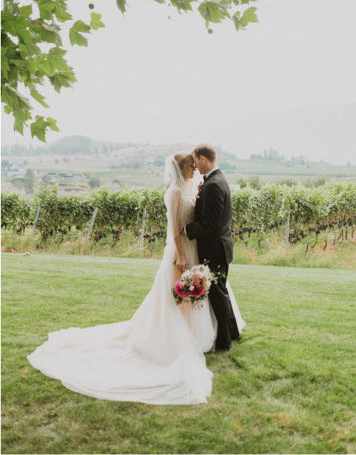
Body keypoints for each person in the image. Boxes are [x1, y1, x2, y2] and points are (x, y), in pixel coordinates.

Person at [27, 153, 245, 405]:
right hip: (181, 249)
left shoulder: (188, 186)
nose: (195, 169)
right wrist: (181, 255)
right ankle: (175, 339)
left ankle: (198, 335)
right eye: (191, 165)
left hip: (193, 247)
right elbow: (172, 228)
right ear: (183, 167)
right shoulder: (174, 191)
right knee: (176, 296)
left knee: (195, 293)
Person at [184, 144, 241, 351]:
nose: (195, 166)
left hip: (215, 248)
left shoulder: (214, 184)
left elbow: (212, 223)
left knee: (218, 293)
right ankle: (232, 333)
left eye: (196, 162)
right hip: (220, 246)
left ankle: (224, 342)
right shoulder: (217, 179)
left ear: (203, 159)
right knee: (221, 290)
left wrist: (187, 230)